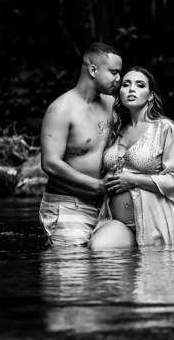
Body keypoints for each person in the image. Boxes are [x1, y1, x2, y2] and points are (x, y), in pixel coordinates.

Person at [89, 67, 174, 249]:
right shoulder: (115, 130)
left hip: (156, 220)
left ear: (151, 95)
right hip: (119, 222)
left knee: (151, 274)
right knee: (98, 248)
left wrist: (132, 180)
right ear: (120, 93)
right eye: (126, 84)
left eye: (140, 85)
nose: (132, 89)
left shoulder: (164, 128)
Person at [38, 43, 122, 247]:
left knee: (106, 273)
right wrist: (97, 185)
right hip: (68, 204)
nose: (119, 79)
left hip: (104, 206)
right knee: (74, 274)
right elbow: (50, 164)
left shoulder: (111, 104)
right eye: (114, 72)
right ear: (93, 70)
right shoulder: (61, 109)